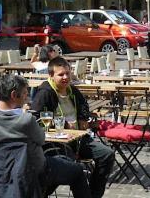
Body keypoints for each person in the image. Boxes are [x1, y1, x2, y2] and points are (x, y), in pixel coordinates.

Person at [0, 74, 91, 198]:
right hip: (31, 171)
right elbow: (41, 139)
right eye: (25, 93)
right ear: (14, 95)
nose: (27, 97)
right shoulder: (26, 120)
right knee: (77, 171)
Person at [31, 58, 113, 198]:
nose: (66, 77)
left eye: (68, 73)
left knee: (107, 154)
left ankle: (93, 194)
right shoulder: (45, 93)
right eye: (61, 74)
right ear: (51, 75)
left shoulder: (72, 90)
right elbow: (36, 119)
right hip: (56, 142)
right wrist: (62, 125)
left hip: (78, 139)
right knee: (68, 167)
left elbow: (84, 106)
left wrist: (82, 118)